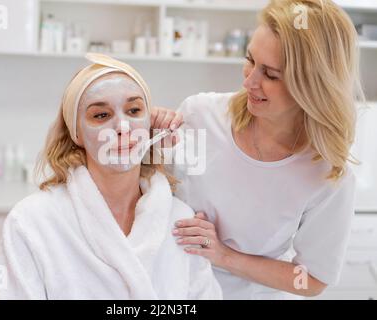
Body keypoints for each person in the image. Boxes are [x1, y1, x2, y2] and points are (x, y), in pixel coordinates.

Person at [152, 0, 365, 299]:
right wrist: (150, 147)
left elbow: (313, 279)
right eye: (250, 59)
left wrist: (223, 255)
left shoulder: (326, 174)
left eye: (271, 75)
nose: (249, 81)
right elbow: (150, 194)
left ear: (312, 86)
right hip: (165, 288)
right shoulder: (200, 114)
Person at [0, 53, 222, 300]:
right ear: (76, 133)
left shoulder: (181, 221)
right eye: (101, 115)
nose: (122, 128)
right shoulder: (31, 222)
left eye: (134, 110)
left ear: (148, 123)